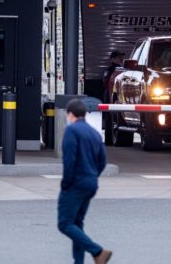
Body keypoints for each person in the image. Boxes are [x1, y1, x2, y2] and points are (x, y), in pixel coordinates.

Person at [57, 99, 112, 264]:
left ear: (70, 114)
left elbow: (69, 160)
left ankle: (98, 251)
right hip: (91, 183)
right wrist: (93, 176)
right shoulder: (94, 133)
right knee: (77, 223)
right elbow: (102, 160)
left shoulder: (71, 131)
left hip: (75, 184)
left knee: (64, 223)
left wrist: (65, 184)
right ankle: (78, 262)